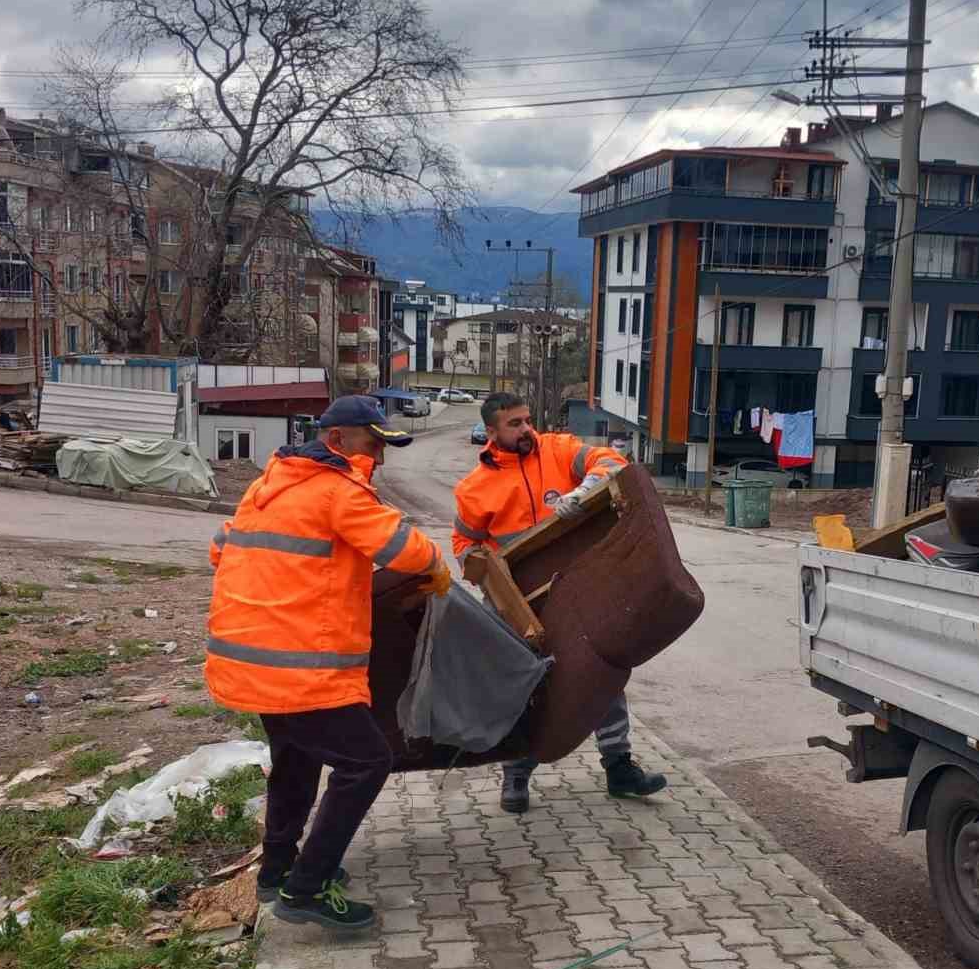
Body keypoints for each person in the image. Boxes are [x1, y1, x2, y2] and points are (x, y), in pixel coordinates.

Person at [206, 395, 450, 933]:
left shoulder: (267, 487)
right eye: (373, 445)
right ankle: (307, 887)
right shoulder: (336, 491)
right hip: (300, 667)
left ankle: (276, 870)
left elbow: (220, 549)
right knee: (366, 762)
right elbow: (403, 549)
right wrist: (435, 563)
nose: (380, 460)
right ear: (337, 440)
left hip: (252, 662)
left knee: (295, 762)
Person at [452, 392, 667, 813]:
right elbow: (464, 543)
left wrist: (587, 489)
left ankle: (619, 766)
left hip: (579, 587)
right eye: (514, 424)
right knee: (523, 686)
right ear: (491, 432)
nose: (526, 429)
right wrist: (487, 574)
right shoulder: (474, 488)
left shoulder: (558, 449)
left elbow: (610, 461)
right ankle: (516, 775)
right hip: (520, 602)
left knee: (601, 671)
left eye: (527, 420)